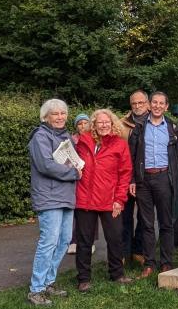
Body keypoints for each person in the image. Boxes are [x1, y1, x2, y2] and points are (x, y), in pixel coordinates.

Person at [128, 91, 178, 278]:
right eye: (154, 102)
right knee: (147, 224)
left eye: (160, 103)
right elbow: (130, 157)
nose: (157, 106)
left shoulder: (172, 128)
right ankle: (149, 264)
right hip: (143, 181)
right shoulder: (139, 127)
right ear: (149, 105)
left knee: (166, 223)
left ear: (166, 106)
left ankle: (166, 263)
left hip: (165, 178)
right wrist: (132, 179)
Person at [27, 99, 81, 306]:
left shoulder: (65, 136)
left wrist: (77, 166)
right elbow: (46, 166)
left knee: (65, 240)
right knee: (48, 241)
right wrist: (74, 172)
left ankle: (49, 281)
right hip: (48, 197)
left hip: (66, 195)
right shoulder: (40, 136)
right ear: (45, 117)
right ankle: (36, 289)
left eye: (63, 113)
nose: (60, 117)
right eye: (55, 114)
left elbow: (72, 159)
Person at [73, 109, 133, 291]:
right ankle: (83, 279)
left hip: (110, 200)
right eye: (100, 122)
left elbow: (125, 174)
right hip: (85, 199)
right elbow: (72, 162)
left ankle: (117, 273)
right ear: (94, 125)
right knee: (84, 241)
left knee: (115, 238)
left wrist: (120, 199)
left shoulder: (120, 144)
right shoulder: (83, 141)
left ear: (113, 123)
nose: (104, 125)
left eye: (107, 122)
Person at [118, 90, 150, 264]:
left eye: (141, 103)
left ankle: (139, 249)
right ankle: (124, 252)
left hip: (147, 177)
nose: (137, 106)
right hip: (125, 176)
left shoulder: (155, 121)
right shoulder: (121, 124)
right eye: (134, 103)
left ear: (148, 103)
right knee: (125, 215)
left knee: (145, 217)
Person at [68, 113, 93, 256]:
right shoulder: (72, 140)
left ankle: (91, 242)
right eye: (79, 124)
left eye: (85, 123)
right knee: (77, 211)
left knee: (91, 210)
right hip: (75, 178)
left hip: (91, 179)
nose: (83, 126)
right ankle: (74, 241)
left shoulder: (95, 138)